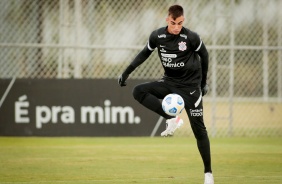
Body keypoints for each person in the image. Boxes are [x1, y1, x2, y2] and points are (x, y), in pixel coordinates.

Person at [118, 4, 214, 184]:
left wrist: (203, 83)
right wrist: (126, 71)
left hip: (191, 88)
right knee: (138, 91)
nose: (177, 27)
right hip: (169, 83)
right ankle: (171, 118)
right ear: (167, 19)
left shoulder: (191, 37)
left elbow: (205, 55)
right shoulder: (157, 36)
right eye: (173, 23)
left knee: (199, 130)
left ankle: (208, 174)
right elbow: (144, 54)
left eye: (180, 23)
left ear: (183, 21)